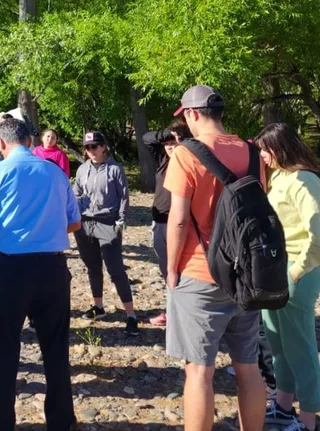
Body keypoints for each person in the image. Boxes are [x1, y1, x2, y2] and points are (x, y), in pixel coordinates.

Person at [164, 85, 267, 431]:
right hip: (247, 275)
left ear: (192, 114)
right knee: (248, 367)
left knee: (198, 370)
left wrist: (170, 269)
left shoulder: (186, 154)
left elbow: (178, 219)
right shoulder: (251, 153)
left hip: (201, 271)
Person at [0, 118, 81, 431]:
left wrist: (3, 227)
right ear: (30, 141)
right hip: (52, 269)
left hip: (12, 270)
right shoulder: (55, 173)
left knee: (4, 345)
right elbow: (74, 223)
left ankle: (1, 421)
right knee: (56, 348)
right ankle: (61, 421)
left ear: (1, 144)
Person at [255, 123, 320, 431]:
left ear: (277, 148)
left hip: (296, 274)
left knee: (301, 347)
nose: (261, 156)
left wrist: (297, 270)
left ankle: (308, 420)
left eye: (264, 150)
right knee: (277, 344)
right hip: (274, 271)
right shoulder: (280, 178)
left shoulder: (305, 180)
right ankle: (284, 407)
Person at [73, 131, 138, 336]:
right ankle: (98, 306)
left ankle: (131, 315)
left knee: (116, 269)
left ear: (103, 147)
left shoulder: (115, 169)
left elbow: (124, 197)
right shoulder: (82, 169)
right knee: (92, 267)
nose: (91, 150)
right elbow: (77, 194)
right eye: (87, 147)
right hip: (85, 224)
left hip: (108, 222)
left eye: (95, 146)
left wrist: (121, 220)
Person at [141, 119, 191, 326]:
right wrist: (167, 133)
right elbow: (146, 138)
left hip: (178, 223)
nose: (170, 147)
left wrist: (182, 138)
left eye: (174, 143)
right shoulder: (163, 159)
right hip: (159, 221)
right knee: (166, 268)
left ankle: (181, 312)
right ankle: (173, 309)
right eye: (167, 144)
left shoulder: (189, 160)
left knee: (181, 268)